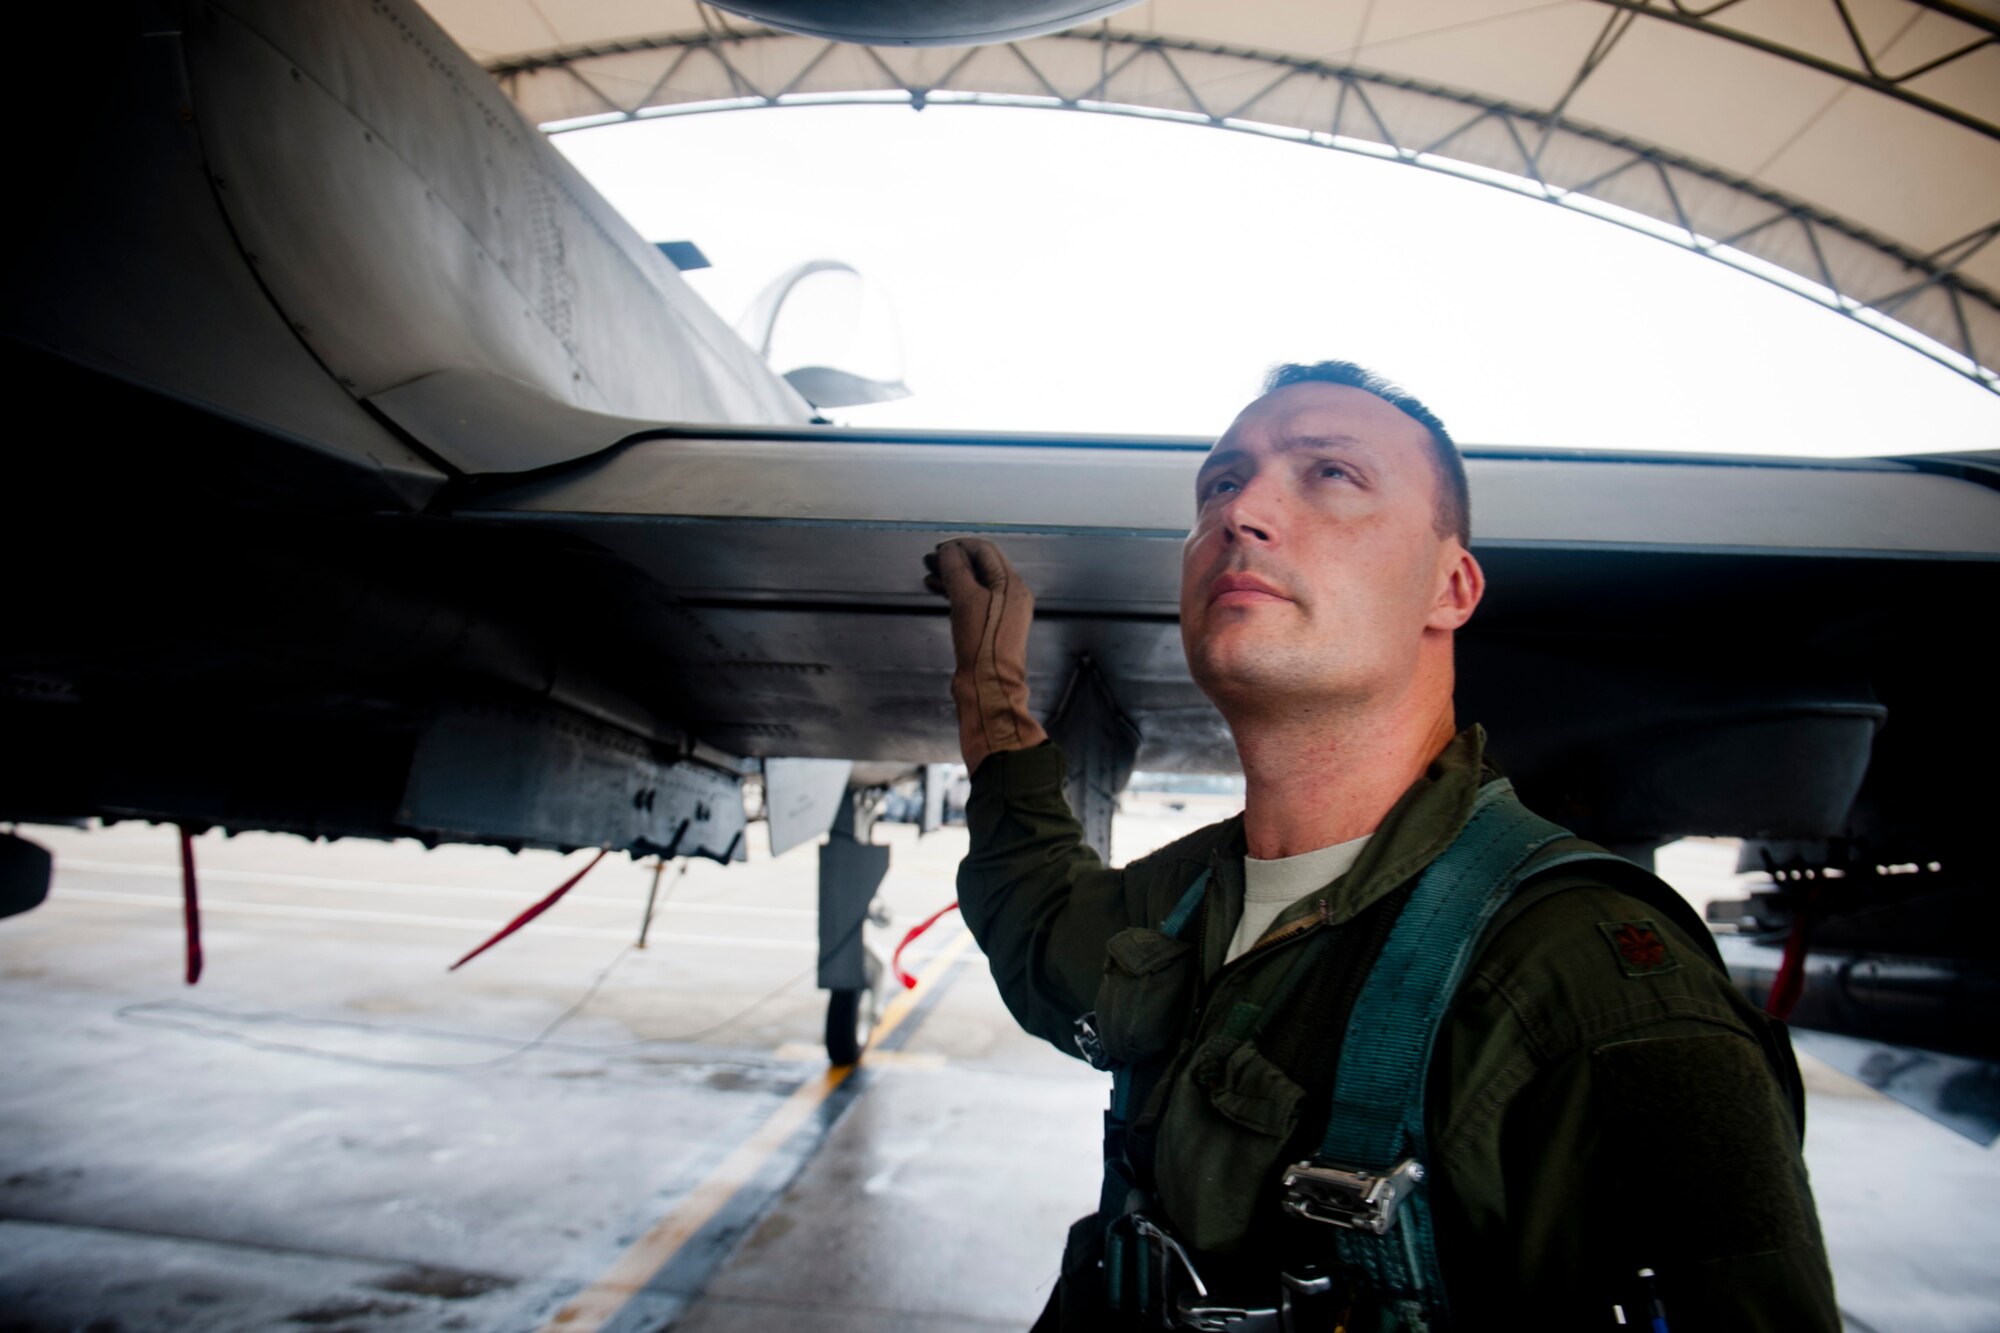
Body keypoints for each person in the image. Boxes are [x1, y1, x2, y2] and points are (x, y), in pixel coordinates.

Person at [923, 361, 1838, 1332]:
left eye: (1330, 475)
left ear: (1450, 587)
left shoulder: (1589, 978)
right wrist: (989, 696)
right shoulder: (1189, 900)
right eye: (1219, 484)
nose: (1242, 511)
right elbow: (1039, 929)